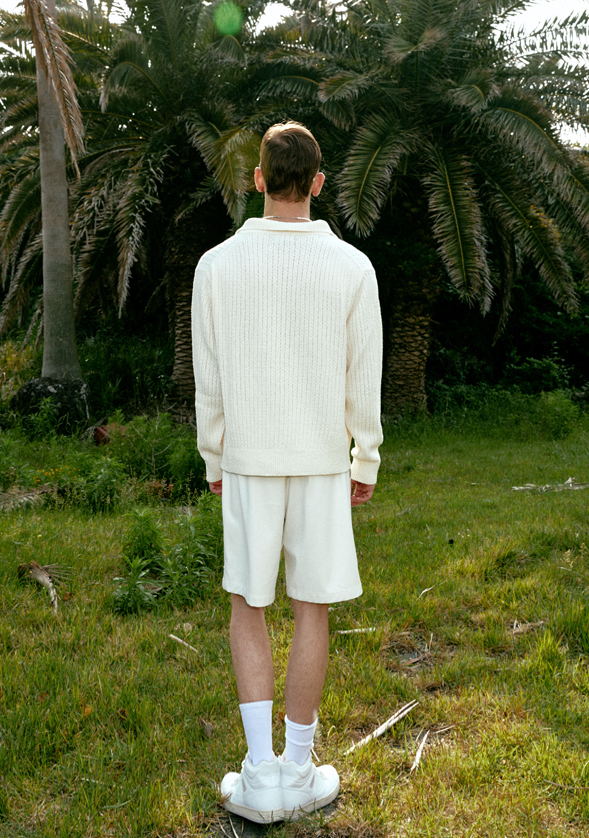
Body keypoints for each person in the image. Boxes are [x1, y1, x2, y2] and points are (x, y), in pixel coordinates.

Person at [191, 121, 383, 824]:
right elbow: (363, 377)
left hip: (248, 459)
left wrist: (213, 455)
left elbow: (208, 381)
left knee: (248, 605)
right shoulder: (352, 267)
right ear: (319, 183)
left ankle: (260, 774)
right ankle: (298, 770)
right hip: (322, 461)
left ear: (259, 179)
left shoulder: (216, 265)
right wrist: (365, 455)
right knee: (311, 609)